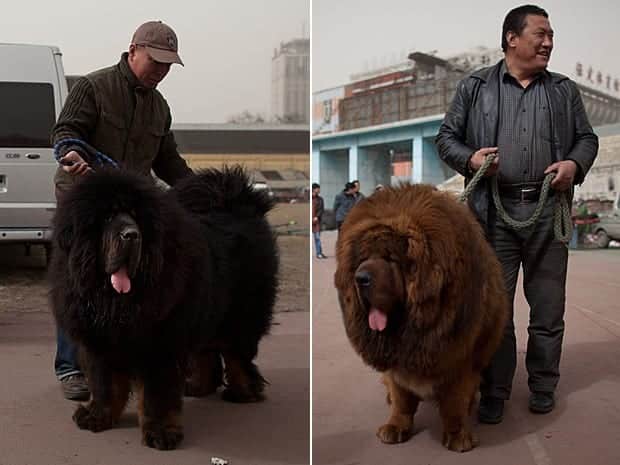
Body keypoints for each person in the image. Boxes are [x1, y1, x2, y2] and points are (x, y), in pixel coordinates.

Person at [436, 4, 598, 424]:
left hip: (548, 212)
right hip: (492, 213)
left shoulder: (563, 90)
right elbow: (446, 138)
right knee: (495, 311)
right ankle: (495, 390)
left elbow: (586, 138)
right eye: (540, 34)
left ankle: (543, 385)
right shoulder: (475, 87)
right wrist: (470, 160)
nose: (548, 42)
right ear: (512, 38)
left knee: (548, 310)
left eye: (551, 36)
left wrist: (574, 166)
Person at [51, 20, 193, 401]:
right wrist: (72, 153)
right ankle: (70, 367)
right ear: (133, 51)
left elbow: (169, 162)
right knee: (76, 285)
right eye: (156, 61)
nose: (161, 71)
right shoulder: (94, 87)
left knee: (133, 287)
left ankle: (117, 365)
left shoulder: (159, 107)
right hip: (86, 205)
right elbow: (66, 132)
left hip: (131, 209)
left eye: (168, 66)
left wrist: (199, 191)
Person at [312, 183, 327, 259]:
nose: (319, 190)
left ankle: (319, 253)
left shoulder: (320, 199)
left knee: (317, 237)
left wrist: (317, 217)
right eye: (318, 188)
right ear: (314, 189)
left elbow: (321, 209)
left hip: (316, 221)